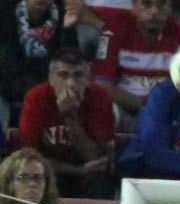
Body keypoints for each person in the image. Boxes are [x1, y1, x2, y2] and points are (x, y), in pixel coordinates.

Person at [17, 46, 112, 193]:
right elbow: (30, 157)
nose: (71, 84)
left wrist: (71, 118)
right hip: (50, 171)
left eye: (78, 75)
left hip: (89, 174)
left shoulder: (99, 96)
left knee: (99, 180)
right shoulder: (36, 97)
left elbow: (97, 160)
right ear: (51, 79)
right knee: (35, 177)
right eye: (63, 75)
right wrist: (77, 170)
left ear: (88, 79)